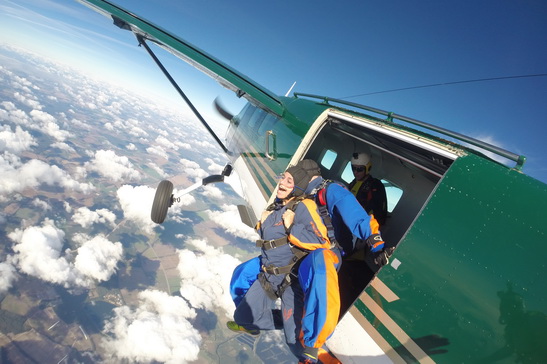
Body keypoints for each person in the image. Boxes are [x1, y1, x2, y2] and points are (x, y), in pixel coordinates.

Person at [227, 160, 342, 364]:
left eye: (290, 181)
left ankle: (324, 357)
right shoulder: (276, 206)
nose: (283, 183)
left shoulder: (304, 206)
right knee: (243, 318)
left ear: (298, 186)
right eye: (283, 178)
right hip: (268, 276)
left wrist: (291, 228)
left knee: (294, 341)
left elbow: (322, 241)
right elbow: (271, 240)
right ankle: (285, 320)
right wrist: (264, 221)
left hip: (290, 280)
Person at [348, 152, 388, 227]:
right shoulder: (354, 183)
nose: (355, 172)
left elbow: (378, 211)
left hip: (361, 225)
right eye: (353, 168)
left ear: (368, 168)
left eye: (359, 169)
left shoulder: (375, 186)